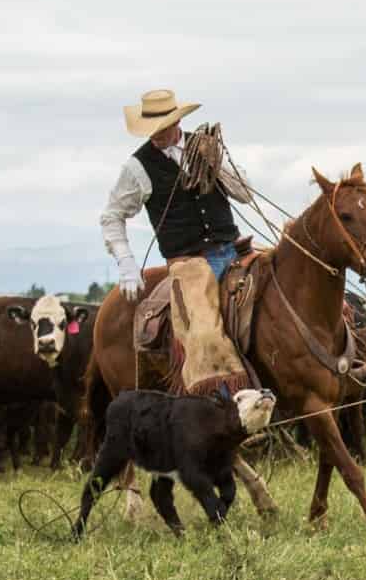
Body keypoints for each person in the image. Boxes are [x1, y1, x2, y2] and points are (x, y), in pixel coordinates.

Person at [100, 88, 256, 395]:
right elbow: (112, 217)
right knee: (203, 333)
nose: (156, 135)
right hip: (188, 263)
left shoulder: (207, 149)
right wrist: (127, 264)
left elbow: (246, 194)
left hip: (234, 248)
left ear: (177, 123)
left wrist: (218, 164)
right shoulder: (137, 167)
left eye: (162, 128)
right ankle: (225, 404)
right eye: (151, 130)